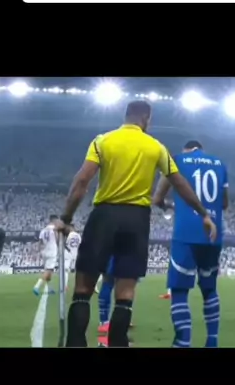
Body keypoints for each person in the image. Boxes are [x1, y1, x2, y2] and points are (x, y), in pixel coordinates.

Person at [55, 100, 217, 348]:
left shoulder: (103, 141)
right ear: (146, 118)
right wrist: (203, 213)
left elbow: (82, 181)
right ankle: (118, 343)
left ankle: (76, 344)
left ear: (126, 115)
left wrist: (66, 218)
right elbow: (179, 183)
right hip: (137, 220)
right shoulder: (156, 147)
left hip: (105, 215)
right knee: (125, 293)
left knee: (84, 289)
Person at [153, 140, 228, 348]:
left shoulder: (177, 160)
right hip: (213, 233)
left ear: (186, 149)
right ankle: (212, 342)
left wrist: (169, 205)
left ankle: (183, 342)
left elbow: (157, 199)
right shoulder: (220, 164)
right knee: (209, 289)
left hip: (186, 233)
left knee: (179, 290)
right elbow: (224, 203)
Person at [34, 214, 58, 296]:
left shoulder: (43, 230)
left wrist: (39, 251)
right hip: (52, 251)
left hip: (44, 252)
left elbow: (40, 242)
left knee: (49, 271)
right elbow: (57, 239)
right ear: (54, 220)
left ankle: (50, 288)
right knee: (48, 270)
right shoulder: (55, 229)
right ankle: (37, 286)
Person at [64, 225, 81, 291]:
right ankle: (77, 285)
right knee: (76, 271)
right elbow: (80, 245)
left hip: (68, 254)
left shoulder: (68, 235)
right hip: (75, 254)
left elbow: (65, 244)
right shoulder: (78, 235)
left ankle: (65, 285)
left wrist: (68, 249)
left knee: (65, 270)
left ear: (71, 228)